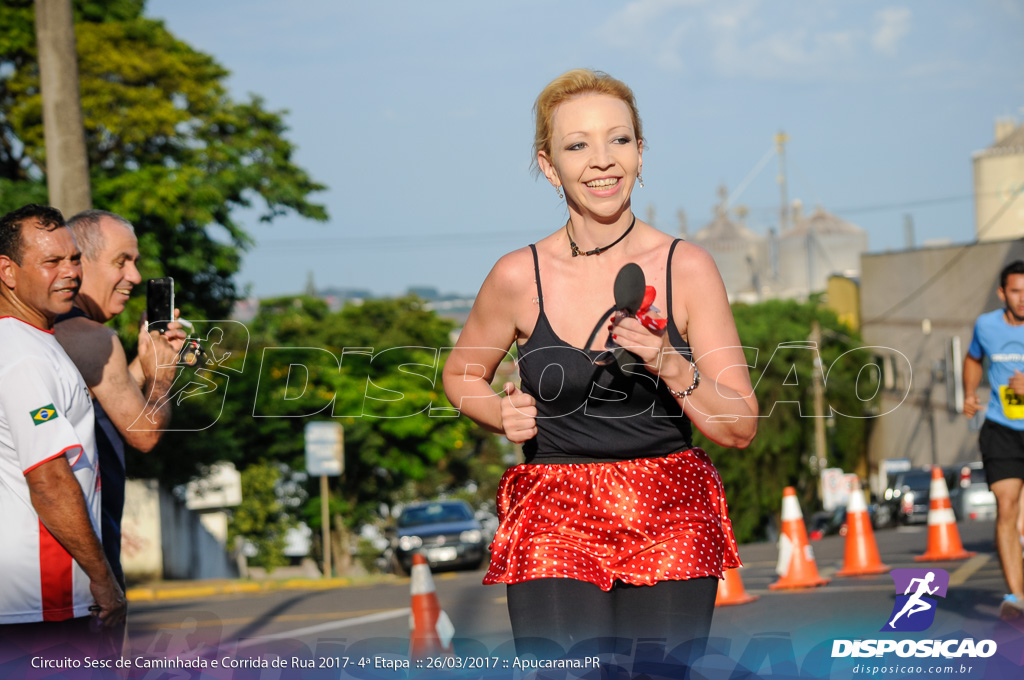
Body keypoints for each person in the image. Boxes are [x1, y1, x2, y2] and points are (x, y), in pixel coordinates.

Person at [442, 70, 757, 659]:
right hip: (553, 511)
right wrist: (500, 414)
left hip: (670, 508)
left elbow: (739, 424)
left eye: (618, 139)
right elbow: (460, 375)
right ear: (548, 165)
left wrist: (667, 360)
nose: (602, 160)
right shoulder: (518, 276)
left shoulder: (686, 268)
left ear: (641, 152)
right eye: (577, 144)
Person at [0, 204, 126, 655]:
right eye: (51, 262)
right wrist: (103, 577)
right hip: (44, 600)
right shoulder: (22, 355)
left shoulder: (36, 341)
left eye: (73, 258)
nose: (69, 272)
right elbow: (50, 480)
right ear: (8, 272)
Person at [54, 209, 185, 593]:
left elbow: (102, 400)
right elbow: (144, 433)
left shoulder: (49, 327)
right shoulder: (90, 336)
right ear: (80, 261)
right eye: (121, 262)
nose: (135, 276)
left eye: (135, 262)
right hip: (82, 556)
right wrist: (162, 376)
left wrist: (143, 367)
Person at [964, 259, 1024, 620]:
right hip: (1002, 428)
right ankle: (1017, 598)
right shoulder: (986, 326)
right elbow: (974, 358)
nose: (1023, 299)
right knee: (1006, 507)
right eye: (1016, 291)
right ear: (1003, 293)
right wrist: (970, 392)